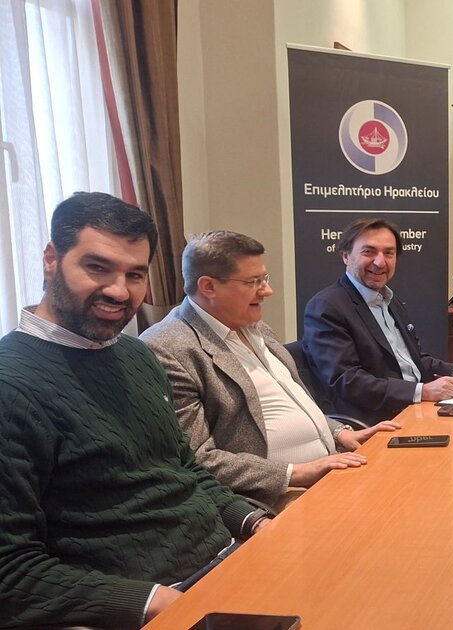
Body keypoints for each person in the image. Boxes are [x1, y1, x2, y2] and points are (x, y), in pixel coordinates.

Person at [0, 193, 271, 628]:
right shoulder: (10, 384)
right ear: (51, 259)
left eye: (135, 274)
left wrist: (254, 522)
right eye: (97, 267)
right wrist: (153, 601)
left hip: (227, 562)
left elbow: (184, 469)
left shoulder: (136, 354)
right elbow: (10, 571)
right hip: (151, 604)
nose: (118, 291)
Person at [142, 230, 400, 508]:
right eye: (253, 282)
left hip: (332, 468)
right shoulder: (169, 349)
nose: (267, 291)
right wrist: (295, 473)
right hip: (270, 496)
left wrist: (340, 432)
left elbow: (292, 402)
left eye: (264, 279)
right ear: (208, 287)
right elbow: (196, 458)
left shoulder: (256, 327)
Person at [303, 218, 453, 424]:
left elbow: (413, 359)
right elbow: (346, 381)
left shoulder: (389, 300)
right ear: (346, 256)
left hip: (417, 409)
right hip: (377, 420)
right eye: (369, 252)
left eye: (389, 253)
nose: (380, 262)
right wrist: (422, 391)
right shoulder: (327, 307)